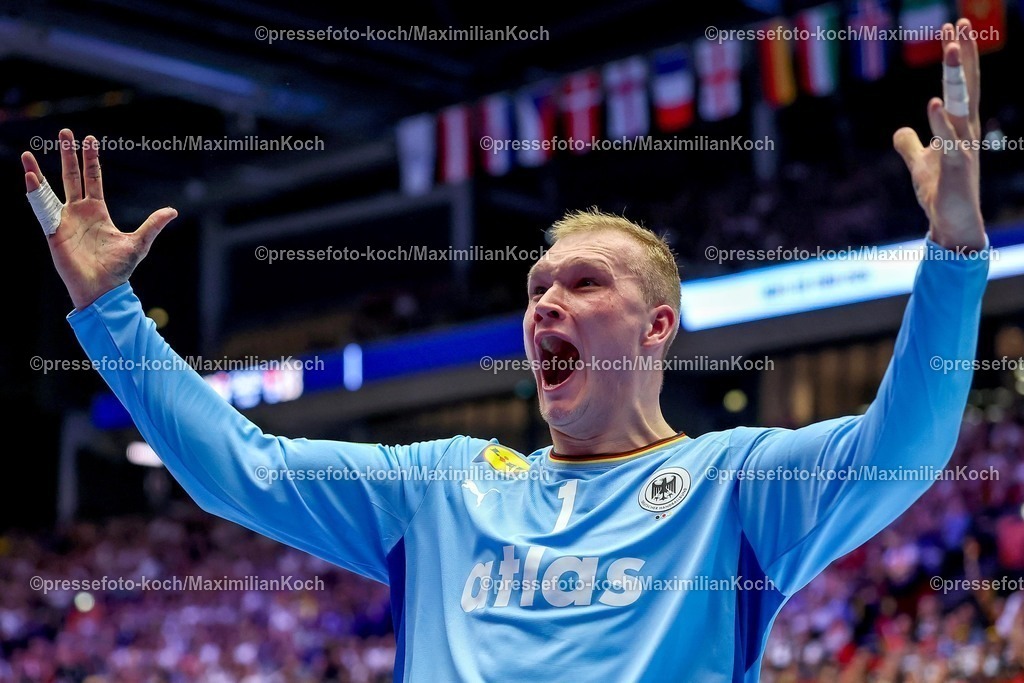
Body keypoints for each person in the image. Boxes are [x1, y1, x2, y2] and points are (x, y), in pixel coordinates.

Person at [22, 20, 991, 683]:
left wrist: (950, 255)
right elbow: (241, 466)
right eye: (535, 289)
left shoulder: (734, 484)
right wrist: (109, 309)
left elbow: (899, 448)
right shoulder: (440, 487)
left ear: (658, 327)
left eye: (582, 285)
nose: (546, 304)